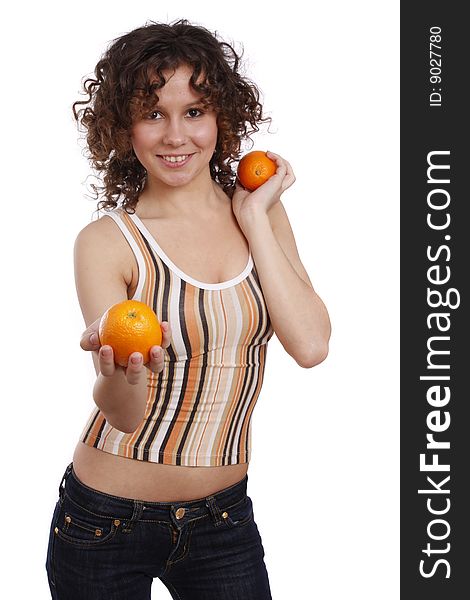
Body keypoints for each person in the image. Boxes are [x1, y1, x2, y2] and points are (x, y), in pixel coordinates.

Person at [45, 18, 331, 600]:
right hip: (102, 522)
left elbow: (310, 345)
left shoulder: (262, 215)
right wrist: (118, 369)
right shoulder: (108, 242)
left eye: (195, 111)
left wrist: (253, 217)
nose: (176, 135)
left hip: (223, 521)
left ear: (222, 117)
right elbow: (123, 416)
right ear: (124, 128)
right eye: (153, 114)